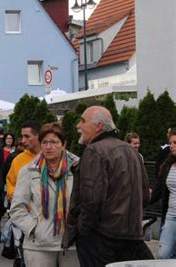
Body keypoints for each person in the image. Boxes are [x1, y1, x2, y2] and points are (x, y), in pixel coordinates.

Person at [64, 106, 153, 266]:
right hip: (131, 236)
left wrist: (82, 231)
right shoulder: (132, 151)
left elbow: (91, 201)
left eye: (83, 121)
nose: (78, 125)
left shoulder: (94, 151)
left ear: (98, 126)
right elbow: (145, 196)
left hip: (101, 238)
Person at [10, 123, 79, 266]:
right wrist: (34, 229)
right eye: (45, 142)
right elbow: (17, 208)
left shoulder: (78, 168)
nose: (49, 147)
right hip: (38, 246)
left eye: (54, 142)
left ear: (64, 144)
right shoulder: (29, 171)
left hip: (72, 244)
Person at [149, 128, 176, 259]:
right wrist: (141, 200)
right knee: (162, 255)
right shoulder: (168, 165)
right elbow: (158, 191)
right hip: (171, 216)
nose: (172, 146)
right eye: (171, 143)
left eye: (175, 143)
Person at [6, 121, 41, 202]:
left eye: (27, 136)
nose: (23, 141)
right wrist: (14, 195)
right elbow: (10, 182)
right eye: (22, 137)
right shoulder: (18, 160)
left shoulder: (50, 158)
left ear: (38, 136)